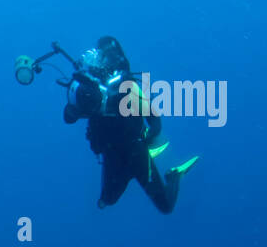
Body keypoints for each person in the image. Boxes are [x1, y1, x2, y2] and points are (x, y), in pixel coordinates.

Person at [62, 36, 199, 213]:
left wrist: (148, 137)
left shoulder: (127, 85)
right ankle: (131, 172)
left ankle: (173, 176)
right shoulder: (89, 86)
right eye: (105, 54)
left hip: (136, 151)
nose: (110, 58)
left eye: (112, 54)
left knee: (165, 207)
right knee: (107, 200)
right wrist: (78, 102)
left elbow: (154, 120)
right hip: (111, 153)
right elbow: (68, 116)